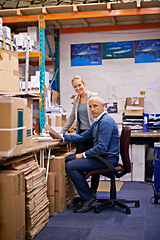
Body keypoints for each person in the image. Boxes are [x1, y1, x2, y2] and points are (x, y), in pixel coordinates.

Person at [50, 96, 120, 213]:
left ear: (103, 107)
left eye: (95, 106)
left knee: (71, 166)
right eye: (90, 106)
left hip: (107, 159)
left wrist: (83, 155)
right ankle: (85, 194)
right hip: (101, 156)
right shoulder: (97, 121)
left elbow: (101, 147)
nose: (92, 109)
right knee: (69, 159)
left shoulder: (105, 122)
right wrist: (61, 136)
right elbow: (82, 136)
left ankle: (88, 197)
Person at [60, 75, 99, 193]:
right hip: (81, 135)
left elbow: (98, 116)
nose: (77, 88)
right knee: (78, 163)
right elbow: (72, 117)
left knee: (94, 162)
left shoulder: (94, 97)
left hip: (93, 134)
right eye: (75, 87)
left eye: (79, 85)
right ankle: (85, 192)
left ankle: (93, 190)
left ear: (84, 84)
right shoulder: (76, 99)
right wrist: (60, 133)